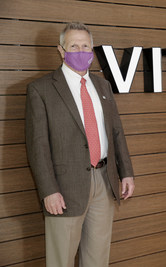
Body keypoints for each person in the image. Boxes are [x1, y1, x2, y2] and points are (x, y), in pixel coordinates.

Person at [25, 22, 135, 267]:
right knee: (60, 259)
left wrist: (126, 172)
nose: (80, 50)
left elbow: (116, 132)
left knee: (97, 258)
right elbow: (37, 146)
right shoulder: (41, 89)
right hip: (63, 189)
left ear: (92, 51)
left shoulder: (103, 86)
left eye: (85, 46)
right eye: (73, 46)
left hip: (104, 182)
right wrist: (48, 190)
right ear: (62, 51)